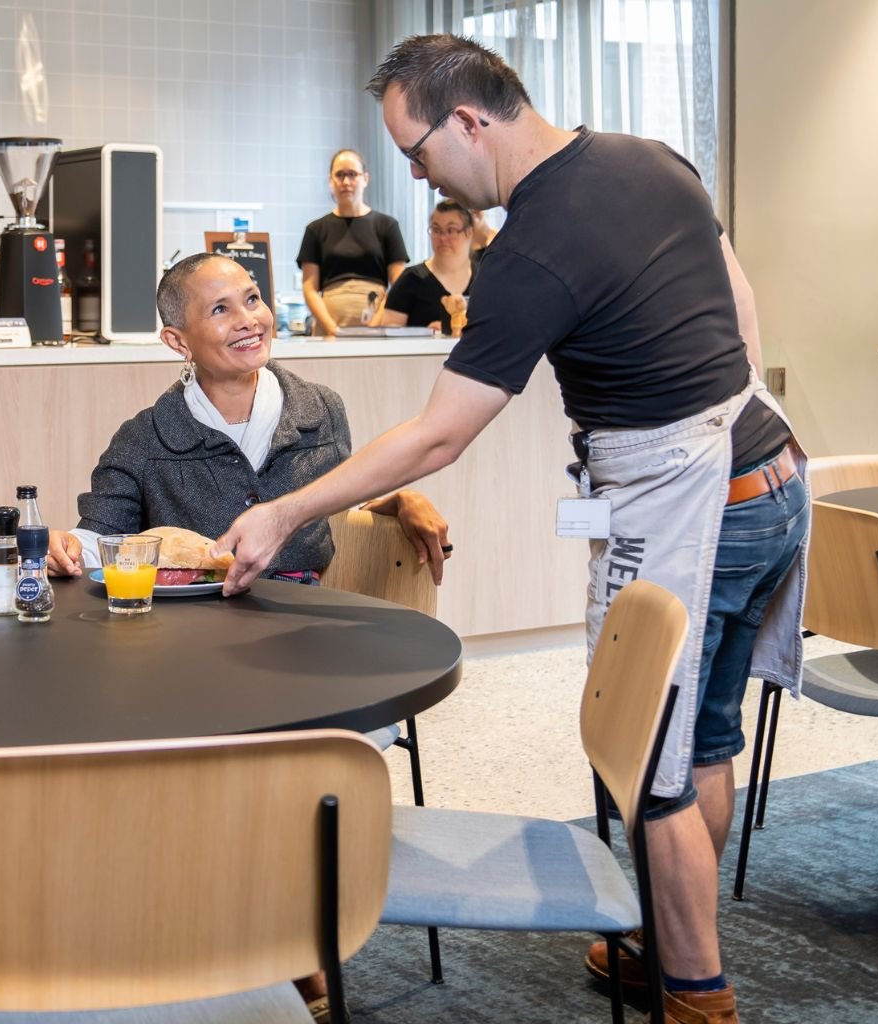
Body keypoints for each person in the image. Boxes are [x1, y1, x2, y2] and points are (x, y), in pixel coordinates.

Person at [216, 35, 805, 1024]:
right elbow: (740, 303)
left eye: (416, 150)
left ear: (470, 122)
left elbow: (439, 436)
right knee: (700, 743)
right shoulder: (650, 156)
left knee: (649, 765)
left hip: (688, 508)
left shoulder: (529, 248)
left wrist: (284, 508)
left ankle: (698, 997)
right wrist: (714, 413)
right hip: (774, 481)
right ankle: (663, 948)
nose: (413, 174)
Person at [42, 252, 450, 587]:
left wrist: (397, 502)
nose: (248, 320)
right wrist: (63, 547)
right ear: (177, 341)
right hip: (194, 639)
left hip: (305, 626)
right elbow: (99, 540)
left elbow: (334, 510)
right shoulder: (143, 439)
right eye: (220, 309)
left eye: (252, 298)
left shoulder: (321, 411)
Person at [296, 149, 410, 337]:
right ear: (331, 180)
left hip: (377, 322)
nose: (346, 182)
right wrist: (332, 329)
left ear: (365, 178)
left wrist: (374, 325)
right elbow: (309, 289)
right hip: (329, 326)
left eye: (352, 174)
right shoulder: (315, 229)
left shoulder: (387, 225)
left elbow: (398, 285)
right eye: (340, 175)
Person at [375, 199, 477, 335]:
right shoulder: (411, 279)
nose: (442, 238)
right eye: (436, 230)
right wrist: (425, 333)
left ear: (469, 232)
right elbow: (389, 329)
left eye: (451, 230)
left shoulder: (484, 277)